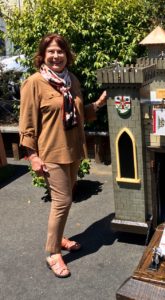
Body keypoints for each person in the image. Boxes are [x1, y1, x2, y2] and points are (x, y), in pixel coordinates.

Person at [19, 33, 107, 278]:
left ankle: (58, 238)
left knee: (66, 198)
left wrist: (97, 105)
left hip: (73, 150)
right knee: (62, 201)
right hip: (51, 153)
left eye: (61, 52)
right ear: (43, 56)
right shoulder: (34, 83)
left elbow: (79, 113)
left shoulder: (72, 81)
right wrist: (33, 156)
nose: (56, 56)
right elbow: (26, 123)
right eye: (51, 52)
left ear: (67, 55)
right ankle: (52, 253)